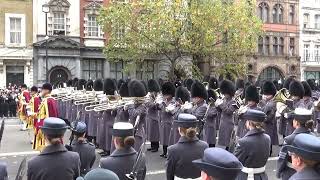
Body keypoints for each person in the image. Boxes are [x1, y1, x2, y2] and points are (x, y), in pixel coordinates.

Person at [166, 113, 208, 180]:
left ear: (179, 130)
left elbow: (169, 173)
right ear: (196, 129)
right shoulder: (204, 146)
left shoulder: (172, 150)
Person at [277, 108, 315, 180]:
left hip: (291, 172)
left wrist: (278, 172)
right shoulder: (313, 136)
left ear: (296, 122)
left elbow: (282, 158)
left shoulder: (289, 139)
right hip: (311, 172)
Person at [234, 109, 271, 180]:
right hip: (262, 176)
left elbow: (236, 162)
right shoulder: (267, 138)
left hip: (247, 176)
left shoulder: (244, 141)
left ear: (249, 123)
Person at [34, 83, 59, 151]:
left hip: (46, 130)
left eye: (43, 89)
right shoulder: (46, 100)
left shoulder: (49, 100)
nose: (41, 91)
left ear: (47, 90)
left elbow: (52, 116)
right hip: (42, 128)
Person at [216, 80, 237, 151]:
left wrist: (221, 104)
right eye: (224, 93)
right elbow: (220, 111)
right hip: (223, 123)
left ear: (230, 93)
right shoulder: (224, 100)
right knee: (223, 143)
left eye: (226, 94)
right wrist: (217, 106)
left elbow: (229, 111)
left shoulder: (233, 102)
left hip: (229, 124)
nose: (224, 95)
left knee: (228, 141)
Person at [259, 81, 279, 156]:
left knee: (268, 138)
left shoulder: (273, 103)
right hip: (263, 124)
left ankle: (269, 152)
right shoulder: (264, 102)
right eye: (265, 94)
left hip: (269, 124)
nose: (266, 96)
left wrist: (264, 102)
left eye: (268, 95)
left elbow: (269, 116)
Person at [159, 82, 176, 158]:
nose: (165, 96)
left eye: (166, 94)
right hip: (163, 121)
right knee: (163, 138)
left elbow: (172, 112)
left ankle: (169, 152)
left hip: (169, 122)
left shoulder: (173, 102)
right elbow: (159, 108)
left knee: (169, 138)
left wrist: (165, 104)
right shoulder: (163, 101)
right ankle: (164, 151)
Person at [146, 79, 161, 152]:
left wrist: (157, 103)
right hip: (150, 115)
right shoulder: (149, 96)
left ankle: (156, 146)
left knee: (155, 132)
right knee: (151, 132)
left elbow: (159, 107)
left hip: (155, 116)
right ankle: (152, 145)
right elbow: (148, 104)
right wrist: (154, 103)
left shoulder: (157, 96)